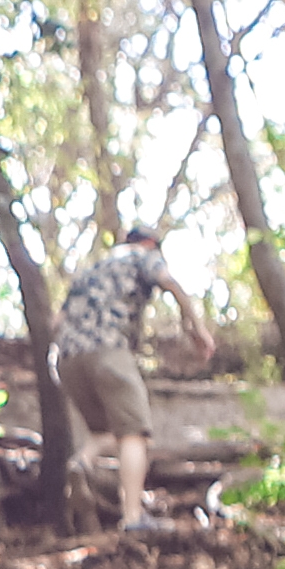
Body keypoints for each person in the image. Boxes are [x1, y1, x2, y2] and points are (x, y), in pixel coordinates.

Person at [53, 226, 172, 533]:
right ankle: (133, 517)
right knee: (134, 434)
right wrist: (196, 325)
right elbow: (167, 281)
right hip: (108, 350)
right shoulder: (141, 256)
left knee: (105, 430)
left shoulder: (92, 269)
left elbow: (57, 321)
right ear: (149, 243)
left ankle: (81, 463)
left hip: (68, 358)